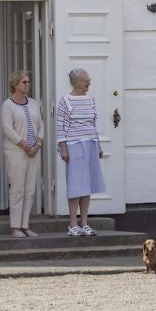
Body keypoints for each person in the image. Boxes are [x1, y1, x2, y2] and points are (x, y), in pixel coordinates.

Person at [56, 69, 105, 237]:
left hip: (90, 143)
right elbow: (60, 126)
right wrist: (63, 147)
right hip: (74, 145)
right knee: (76, 185)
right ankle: (73, 224)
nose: (89, 83)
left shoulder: (90, 100)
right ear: (77, 83)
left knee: (87, 185)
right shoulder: (65, 101)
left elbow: (93, 124)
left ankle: (84, 223)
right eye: (86, 80)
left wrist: (97, 145)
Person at [1, 70, 44, 238]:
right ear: (15, 85)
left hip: (34, 151)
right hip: (16, 151)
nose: (28, 84)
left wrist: (38, 143)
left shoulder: (33, 103)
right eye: (24, 82)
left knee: (30, 189)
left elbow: (41, 125)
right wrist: (25, 145)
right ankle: (15, 227)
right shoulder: (8, 105)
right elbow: (7, 129)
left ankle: (25, 225)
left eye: (28, 81)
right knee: (17, 189)